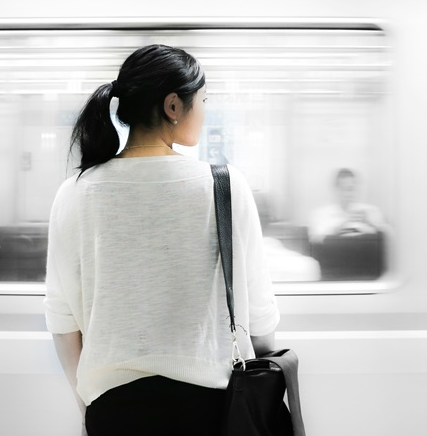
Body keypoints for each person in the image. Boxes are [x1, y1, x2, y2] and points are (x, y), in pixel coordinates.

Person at [44, 44, 280, 436]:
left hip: (113, 412)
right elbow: (259, 313)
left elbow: (63, 319)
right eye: (202, 100)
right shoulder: (225, 186)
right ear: (173, 106)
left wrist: (88, 408)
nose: (204, 112)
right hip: (211, 409)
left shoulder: (74, 192)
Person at [309, 168, 390, 243]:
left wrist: (369, 222)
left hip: (364, 255)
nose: (347, 194)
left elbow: (389, 236)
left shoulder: (369, 211)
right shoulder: (321, 214)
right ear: (336, 190)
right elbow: (314, 240)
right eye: (343, 189)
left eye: (351, 189)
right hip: (332, 255)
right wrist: (339, 228)